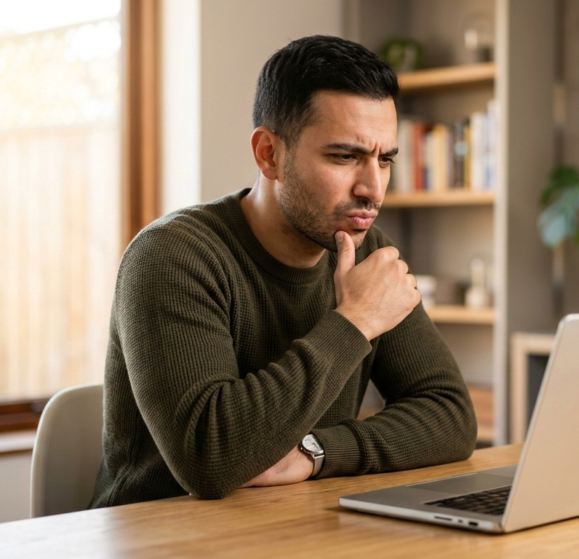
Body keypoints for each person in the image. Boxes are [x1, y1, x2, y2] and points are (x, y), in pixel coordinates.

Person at [89, 35, 477, 508]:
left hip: (291, 523)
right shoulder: (171, 256)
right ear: (269, 154)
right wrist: (355, 321)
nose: (373, 189)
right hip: (159, 530)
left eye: (385, 160)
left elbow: (450, 415)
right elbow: (209, 460)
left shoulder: (365, 251)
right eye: (345, 157)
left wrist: (317, 452)